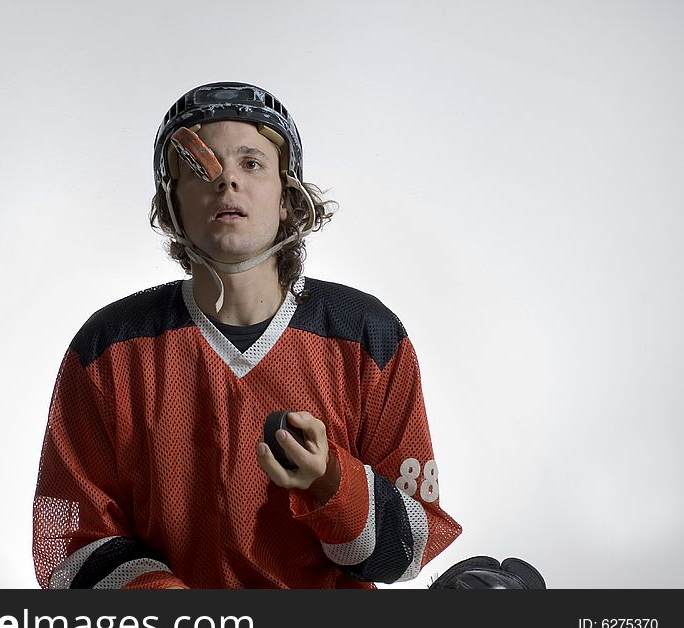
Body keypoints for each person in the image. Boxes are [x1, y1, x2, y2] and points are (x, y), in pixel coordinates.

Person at [32, 81, 462, 589]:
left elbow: (408, 551)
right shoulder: (107, 347)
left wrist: (332, 483)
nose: (226, 181)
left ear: (288, 197)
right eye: (201, 167)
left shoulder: (368, 336)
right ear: (171, 203)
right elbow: (69, 545)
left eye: (252, 163)